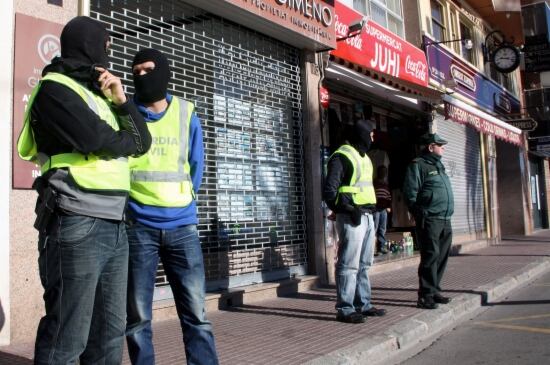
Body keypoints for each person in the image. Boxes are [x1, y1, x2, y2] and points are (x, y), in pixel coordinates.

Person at [17, 16, 152, 364]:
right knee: (67, 337)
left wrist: (122, 101)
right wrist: (119, 141)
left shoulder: (103, 96)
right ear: (84, 44)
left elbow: (142, 142)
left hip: (116, 224)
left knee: (109, 336)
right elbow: (97, 139)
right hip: (75, 220)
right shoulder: (55, 88)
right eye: (103, 44)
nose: (106, 53)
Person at [125, 49, 219, 365]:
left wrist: (184, 201)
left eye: (148, 69)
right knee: (137, 317)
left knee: (195, 313)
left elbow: (197, 166)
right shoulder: (127, 114)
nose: (141, 76)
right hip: (139, 227)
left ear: (164, 72)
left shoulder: (186, 112)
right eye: (136, 71)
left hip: (182, 227)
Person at [323, 119, 387, 324]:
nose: (373, 138)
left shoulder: (364, 157)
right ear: (361, 134)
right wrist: (348, 209)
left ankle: (363, 304)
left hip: (367, 216)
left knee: (364, 264)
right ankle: (345, 308)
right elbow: (329, 191)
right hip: (352, 217)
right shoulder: (342, 156)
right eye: (370, 134)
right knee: (349, 264)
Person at [403, 133, 454, 310]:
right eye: (440, 145)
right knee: (430, 256)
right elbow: (410, 192)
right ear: (431, 147)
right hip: (430, 218)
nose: (443, 148)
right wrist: (419, 212)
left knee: (441, 256)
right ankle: (425, 295)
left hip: (445, 218)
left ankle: (434, 290)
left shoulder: (438, 165)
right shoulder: (418, 165)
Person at [373, 166, 391, 255]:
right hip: (376, 208)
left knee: (382, 228)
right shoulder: (374, 183)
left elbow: (388, 196)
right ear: (378, 172)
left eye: (385, 172)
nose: (384, 174)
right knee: (374, 228)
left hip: (384, 209)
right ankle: (373, 249)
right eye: (382, 171)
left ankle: (381, 247)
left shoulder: (385, 184)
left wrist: (389, 206)